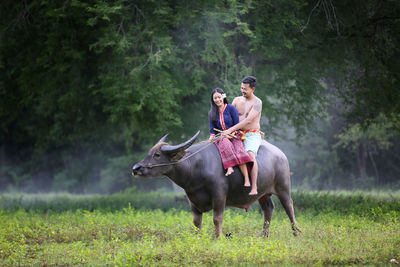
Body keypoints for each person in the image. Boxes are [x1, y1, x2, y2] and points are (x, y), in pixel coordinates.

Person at [222, 76, 262, 195]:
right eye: (241, 88)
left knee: (250, 155)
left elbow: (248, 121)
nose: (242, 91)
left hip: (251, 134)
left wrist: (230, 130)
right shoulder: (236, 100)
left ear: (253, 89)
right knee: (223, 146)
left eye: (245, 89)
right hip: (237, 133)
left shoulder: (258, 102)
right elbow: (228, 115)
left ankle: (254, 186)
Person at [208, 88, 253, 187]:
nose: (217, 100)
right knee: (225, 142)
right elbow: (212, 130)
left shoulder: (231, 108)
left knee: (239, 151)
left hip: (234, 135)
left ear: (223, 97)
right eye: (215, 98)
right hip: (221, 137)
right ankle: (230, 167)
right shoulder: (211, 113)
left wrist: (232, 133)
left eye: (219, 97)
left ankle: (246, 179)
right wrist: (211, 138)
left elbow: (237, 125)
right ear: (213, 100)